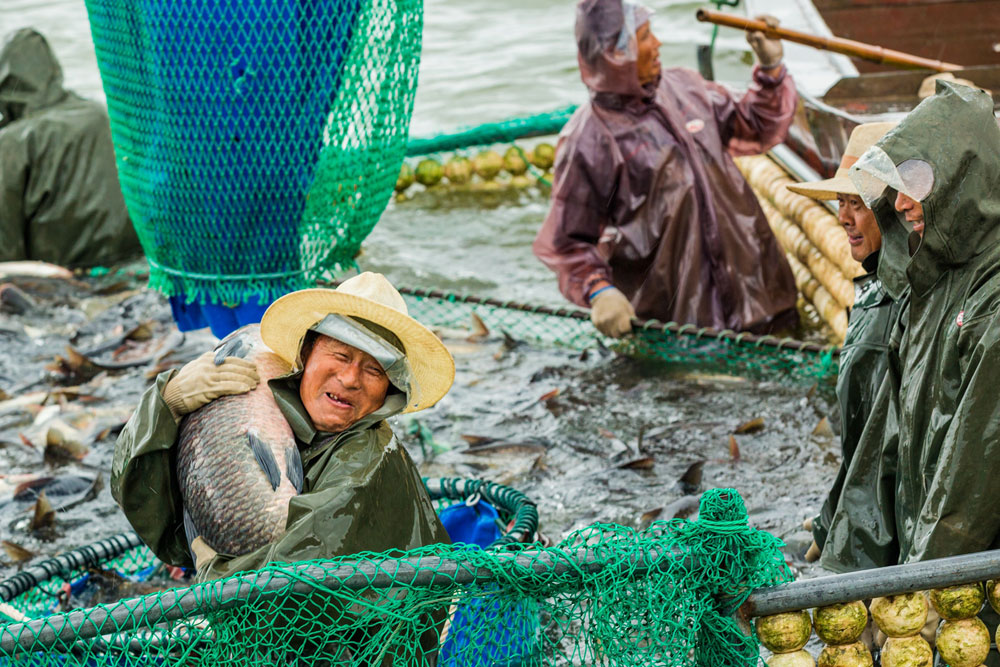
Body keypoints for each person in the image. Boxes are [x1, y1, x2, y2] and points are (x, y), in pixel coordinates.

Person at [111, 272, 454, 582]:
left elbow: (299, 590)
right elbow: (147, 505)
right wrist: (166, 403)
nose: (350, 379)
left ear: (388, 391)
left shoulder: (365, 461)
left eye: (374, 371)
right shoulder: (292, 426)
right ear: (306, 354)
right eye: (340, 355)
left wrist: (216, 572)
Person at [532, 0, 799, 338]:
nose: (657, 44)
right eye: (644, 36)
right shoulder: (589, 137)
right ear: (616, 54)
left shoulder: (686, 87)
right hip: (679, 328)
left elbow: (758, 124)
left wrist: (770, 69)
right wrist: (598, 291)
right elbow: (568, 242)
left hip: (765, 299)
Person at [820, 81, 1000, 574]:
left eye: (915, 183)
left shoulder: (992, 303)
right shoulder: (927, 286)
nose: (899, 204)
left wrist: (918, 596)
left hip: (969, 586)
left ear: (964, 180)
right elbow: (883, 448)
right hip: (923, 564)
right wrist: (844, 568)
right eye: (895, 187)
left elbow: (966, 491)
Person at [783, 122, 900, 563]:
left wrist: (831, 533)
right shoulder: (882, 286)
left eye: (858, 204)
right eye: (840, 202)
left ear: (893, 208)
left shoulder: (890, 307)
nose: (843, 217)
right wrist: (826, 523)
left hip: (880, 537)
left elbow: (868, 451)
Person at [0, 28, 140, 268]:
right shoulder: (98, 113)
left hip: (67, 274)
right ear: (52, 71)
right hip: (134, 257)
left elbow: (5, 246)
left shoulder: (12, 142)